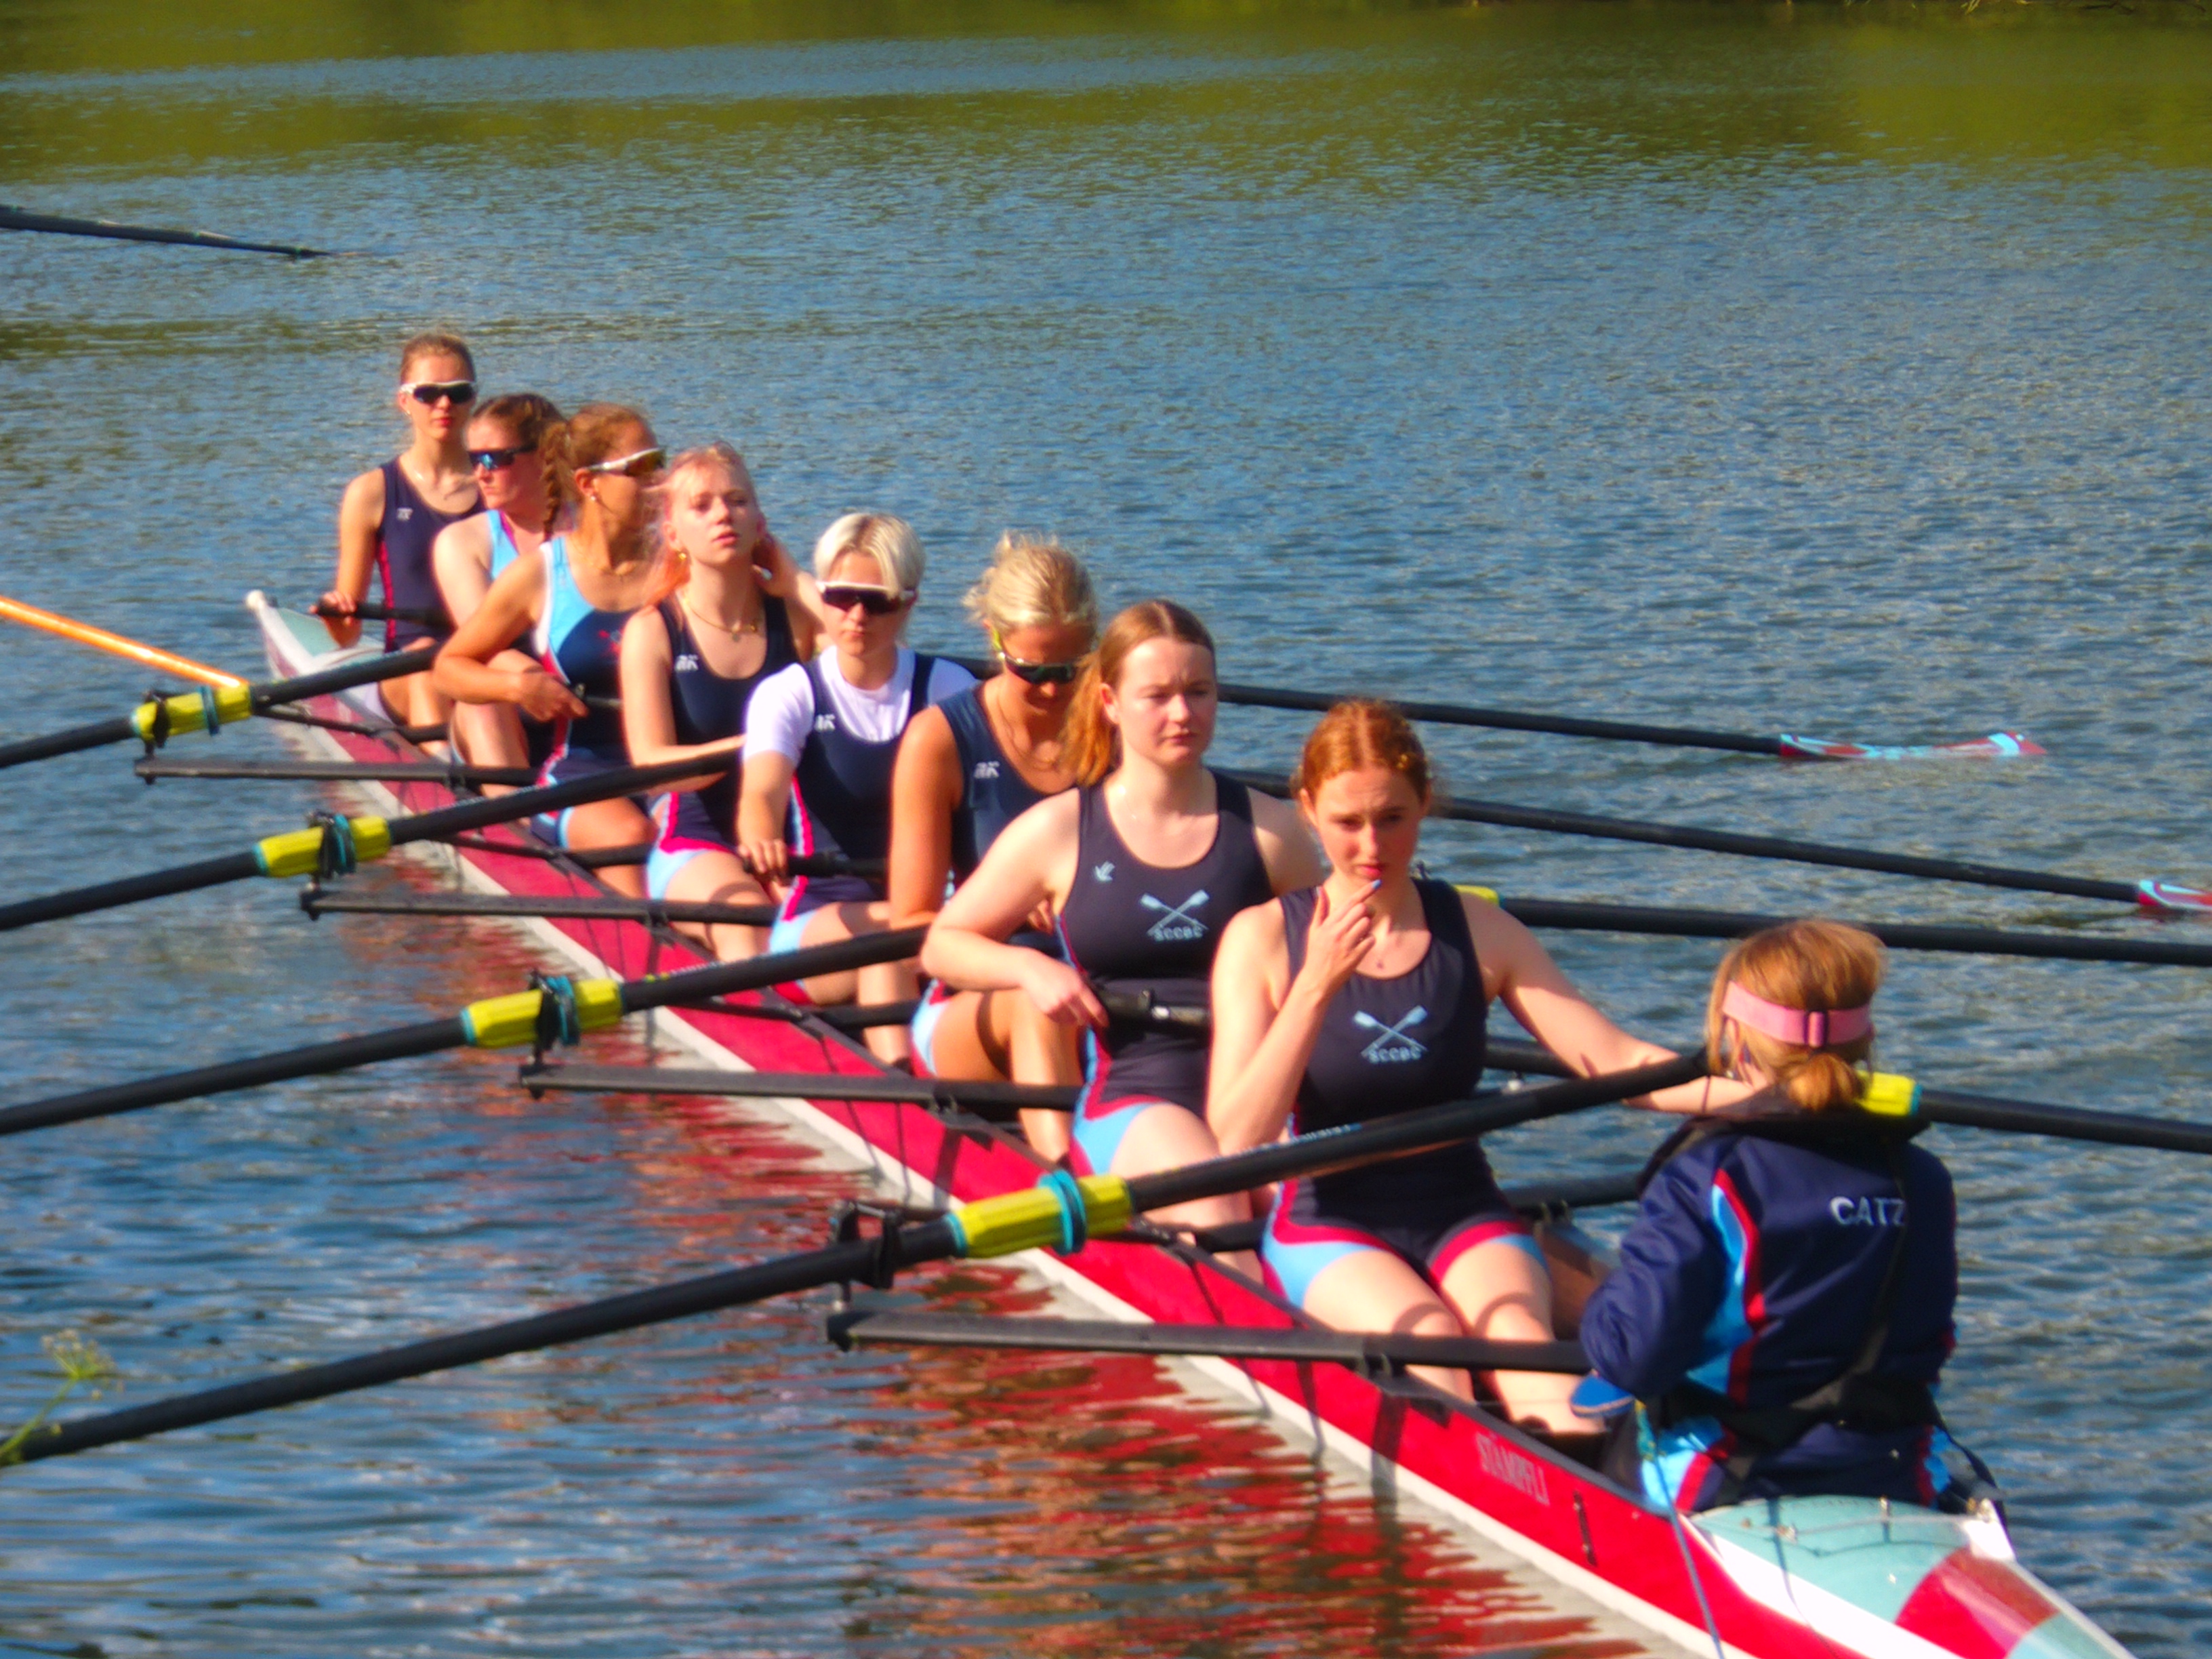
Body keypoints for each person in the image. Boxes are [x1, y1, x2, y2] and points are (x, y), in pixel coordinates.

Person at [1205, 701, 1732, 1433]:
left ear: (1426, 802)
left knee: (1522, 1343)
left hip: (1460, 1207)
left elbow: (1617, 1062)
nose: (1371, 845)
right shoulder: (1262, 939)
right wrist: (1316, 985)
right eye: (1348, 822)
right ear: (1308, 810)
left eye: (1392, 818)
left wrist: (1765, 1093)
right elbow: (1235, 1138)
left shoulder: (1479, 930)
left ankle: (1590, 1481)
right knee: (1433, 1348)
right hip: (1329, 1219)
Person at [920, 600, 1323, 1237]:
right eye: (1157, 696)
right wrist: (1028, 967)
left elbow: (1330, 963)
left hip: (1256, 1083)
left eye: (1199, 692)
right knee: (1217, 1203)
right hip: (1138, 1094)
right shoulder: (1060, 831)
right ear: (1109, 702)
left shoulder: (1273, 833)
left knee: (1314, 1198)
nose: (1182, 713)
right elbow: (943, 945)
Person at [1577, 920, 1981, 1511]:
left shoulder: (1709, 1175)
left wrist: (1598, 1314)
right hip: (1899, 1471)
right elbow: (1933, 1335)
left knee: (1605, 1428)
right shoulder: (1922, 1177)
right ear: (1866, 1038)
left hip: (1728, 1477)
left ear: (1734, 1038)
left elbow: (1633, 1356)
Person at [888, 535, 1098, 1162]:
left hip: (1096, 985)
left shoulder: (1116, 732)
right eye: (1034, 672)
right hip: (975, 1000)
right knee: (1036, 1002)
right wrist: (1004, 915)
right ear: (995, 639)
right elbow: (912, 928)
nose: (1055, 692)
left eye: (1071, 670)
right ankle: (1070, 1178)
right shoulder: (940, 739)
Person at [737, 514, 974, 1057]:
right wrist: (760, 835)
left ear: (908, 603)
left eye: (878, 601)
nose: (858, 616)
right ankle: (903, 1082)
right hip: (819, 921)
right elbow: (761, 792)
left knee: (907, 937)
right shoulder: (790, 693)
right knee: (888, 941)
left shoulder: (948, 688)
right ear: (822, 596)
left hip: (930, 914)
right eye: (842, 598)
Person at [433, 405, 665, 897]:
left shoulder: (677, 565)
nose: (660, 482)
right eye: (642, 468)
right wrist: (518, 688)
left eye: (660, 463)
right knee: (630, 835)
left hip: (671, 767)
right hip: (582, 774)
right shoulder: (542, 573)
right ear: (589, 483)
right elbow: (449, 668)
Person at [620, 443, 823, 960]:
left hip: (790, 833)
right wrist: (761, 743)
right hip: (697, 836)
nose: (723, 515)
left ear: (760, 523)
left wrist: (797, 580)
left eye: (737, 501)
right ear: (673, 535)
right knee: (750, 930)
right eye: (702, 505)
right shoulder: (653, 631)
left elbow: (874, 660)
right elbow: (653, 766)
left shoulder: (796, 620)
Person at [320, 331, 483, 740]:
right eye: (428, 393)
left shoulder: (498, 484)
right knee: (425, 663)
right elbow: (348, 635)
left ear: (473, 400)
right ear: (404, 401)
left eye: (458, 392)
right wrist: (336, 617)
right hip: (406, 670)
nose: (444, 404)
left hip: (482, 660)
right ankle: (444, 771)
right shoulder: (372, 492)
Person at [430, 392, 565, 783]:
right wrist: (539, 683)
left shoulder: (592, 529)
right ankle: (515, 814)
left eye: (494, 459)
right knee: (481, 702)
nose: (480, 473)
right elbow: (486, 651)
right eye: (473, 459)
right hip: (512, 702)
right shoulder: (463, 542)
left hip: (589, 700)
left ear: (546, 456)